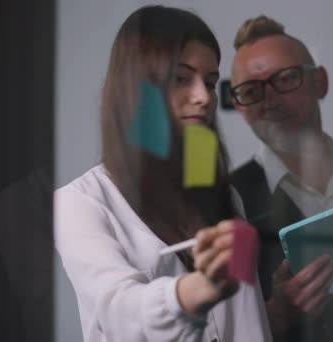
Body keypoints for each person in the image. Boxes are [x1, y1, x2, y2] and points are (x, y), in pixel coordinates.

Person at [54, 6, 271, 342]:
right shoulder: (79, 203)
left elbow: (249, 327)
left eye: (210, 82)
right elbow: (118, 310)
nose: (203, 97)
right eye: (181, 78)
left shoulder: (224, 196)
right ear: (137, 89)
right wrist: (198, 289)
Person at [229, 15, 333, 342]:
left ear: (320, 82)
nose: (269, 100)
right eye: (250, 90)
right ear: (239, 107)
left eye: (285, 79)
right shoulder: (227, 200)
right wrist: (276, 314)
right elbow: (213, 330)